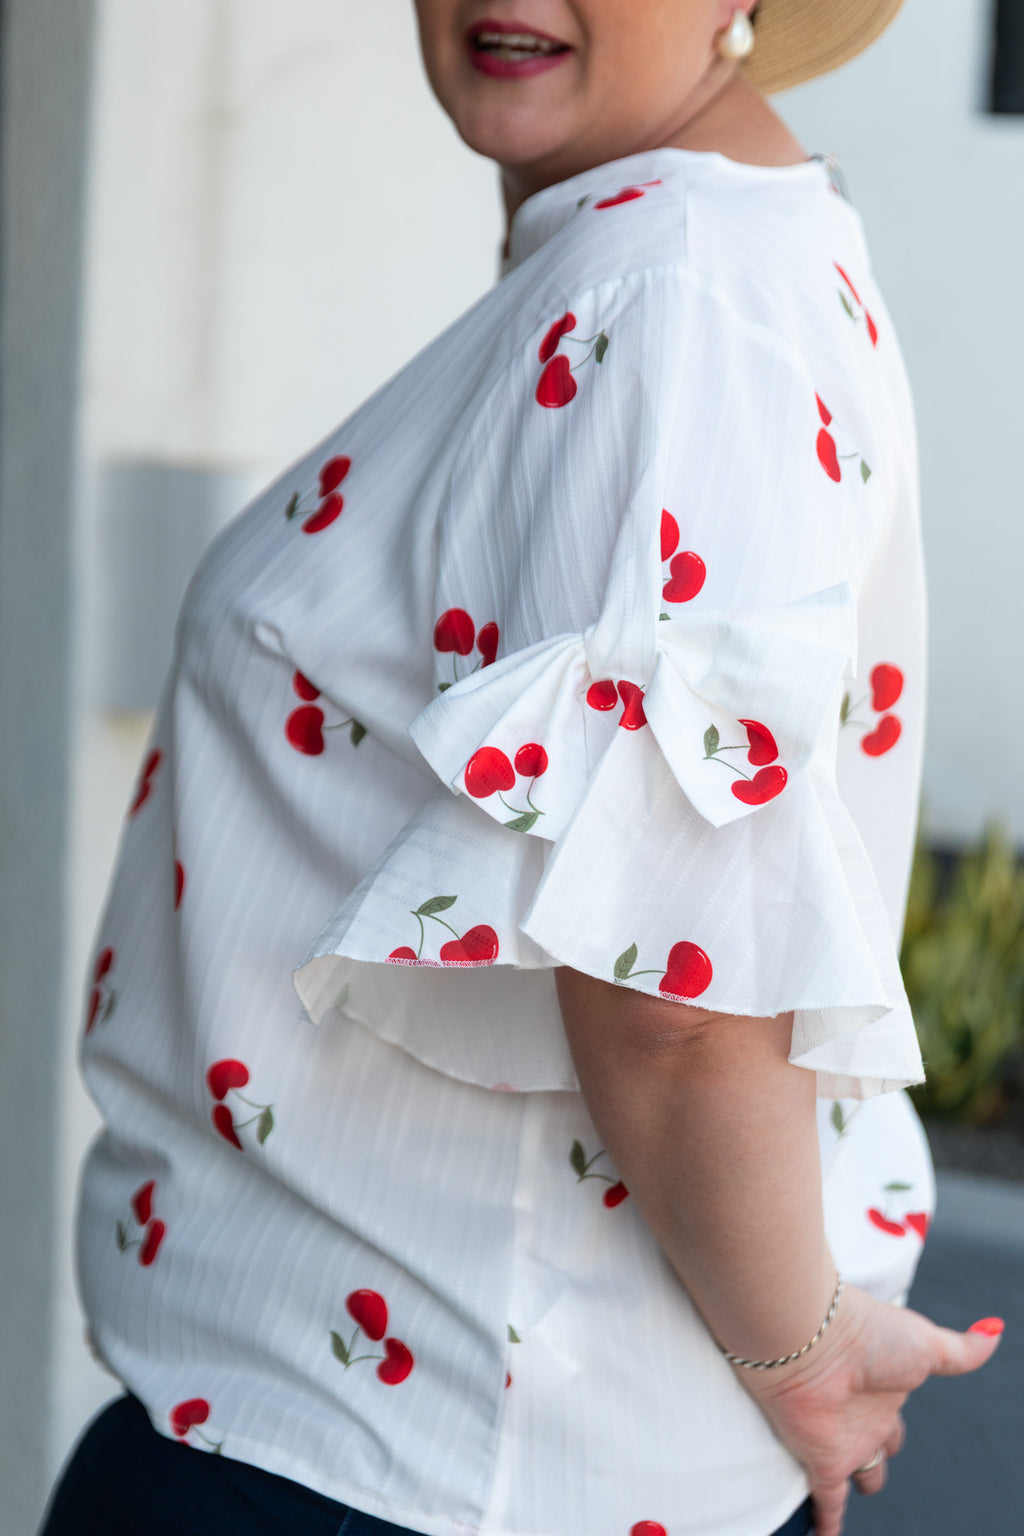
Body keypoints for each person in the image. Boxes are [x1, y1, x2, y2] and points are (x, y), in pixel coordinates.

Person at [40, 4, 1004, 1536]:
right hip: (373, 1437)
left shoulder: (676, 295)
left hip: (392, 1469)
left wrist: (807, 1353)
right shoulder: (674, 257)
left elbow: (668, 988)